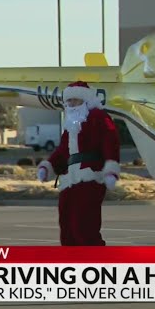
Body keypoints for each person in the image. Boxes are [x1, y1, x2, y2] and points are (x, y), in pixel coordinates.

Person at [37, 81, 121, 246]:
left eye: (76, 100)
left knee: (84, 228)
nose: (72, 104)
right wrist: (48, 166)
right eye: (69, 101)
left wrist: (111, 169)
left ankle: (96, 263)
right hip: (70, 179)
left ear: (86, 100)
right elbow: (62, 151)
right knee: (67, 227)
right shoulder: (71, 124)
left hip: (90, 177)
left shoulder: (98, 117)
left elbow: (110, 142)